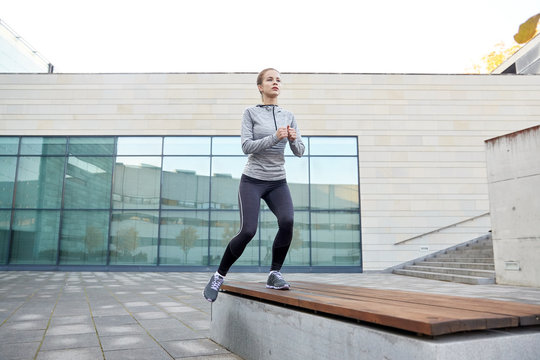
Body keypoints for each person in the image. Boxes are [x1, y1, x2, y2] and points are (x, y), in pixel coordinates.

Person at [203, 68, 305, 302]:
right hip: (252, 180)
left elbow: (300, 151)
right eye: (270, 79)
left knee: (287, 221)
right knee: (248, 230)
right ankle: (219, 276)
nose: (275, 83)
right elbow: (246, 146)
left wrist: (292, 139)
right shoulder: (250, 113)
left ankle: (274, 274)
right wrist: (274, 137)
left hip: (278, 181)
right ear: (260, 86)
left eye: (278, 80)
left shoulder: (288, 115)